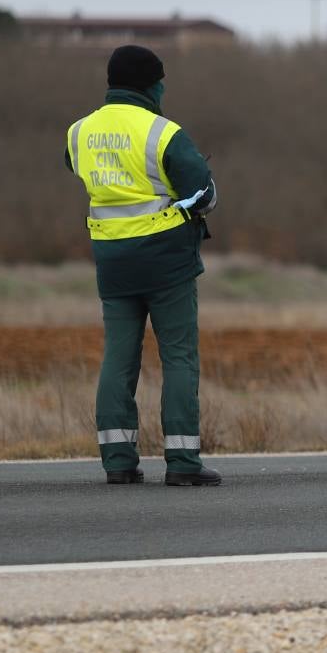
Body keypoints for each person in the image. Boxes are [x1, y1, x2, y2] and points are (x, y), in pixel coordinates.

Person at [64, 45, 223, 487]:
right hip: (166, 261)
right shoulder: (163, 132)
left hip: (112, 261)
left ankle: (117, 460)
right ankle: (183, 463)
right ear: (153, 85)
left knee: (118, 356)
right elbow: (205, 196)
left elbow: (76, 168)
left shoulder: (79, 132)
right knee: (178, 358)